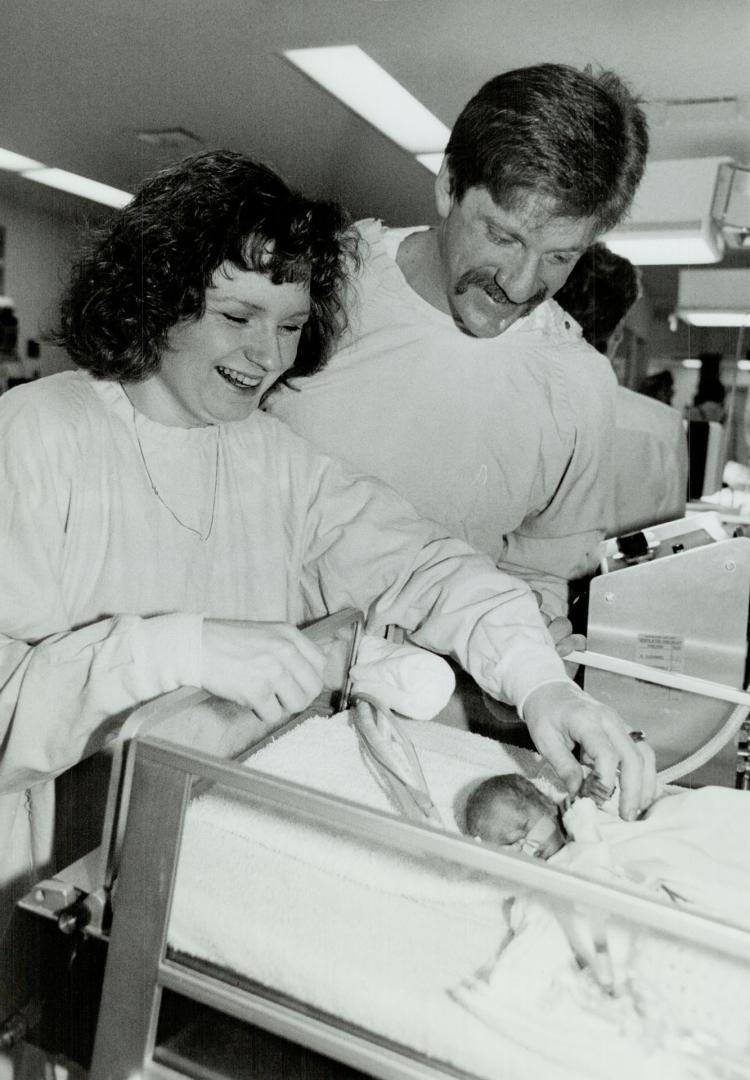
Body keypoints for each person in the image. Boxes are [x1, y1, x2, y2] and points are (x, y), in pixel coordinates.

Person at [0, 151, 655, 1000]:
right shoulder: (39, 438)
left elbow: (425, 564)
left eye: (287, 324)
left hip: (186, 876)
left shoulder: (269, 458)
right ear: (158, 296)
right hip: (40, 882)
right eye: (237, 315)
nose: (264, 355)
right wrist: (173, 649)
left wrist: (542, 687)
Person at [267, 62, 649, 623]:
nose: (520, 285)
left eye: (560, 256)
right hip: (246, 669)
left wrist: (528, 657)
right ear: (449, 186)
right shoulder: (316, 285)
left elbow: (540, 578)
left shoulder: (577, 386)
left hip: (429, 698)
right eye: (502, 236)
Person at [555, 244, 688, 535]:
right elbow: (667, 547)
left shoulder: (510, 403)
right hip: (619, 578)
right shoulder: (661, 427)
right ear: (617, 334)